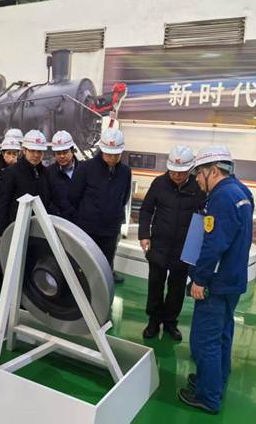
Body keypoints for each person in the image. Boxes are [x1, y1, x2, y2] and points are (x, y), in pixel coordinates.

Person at [178, 145, 253, 414]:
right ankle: (214, 382)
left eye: (199, 173)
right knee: (222, 335)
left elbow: (214, 245)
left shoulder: (221, 197)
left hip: (217, 282)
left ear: (212, 171)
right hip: (233, 280)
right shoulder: (241, 191)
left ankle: (208, 397)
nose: (197, 180)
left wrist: (200, 280)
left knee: (205, 340)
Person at [138, 145, 205, 341]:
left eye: (181, 172)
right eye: (173, 171)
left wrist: (197, 246)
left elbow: (204, 215)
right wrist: (144, 234)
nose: (176, 175)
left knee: (176, 289)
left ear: (190, 169)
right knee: (155, 286)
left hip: (184, 249)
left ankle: (170, 322)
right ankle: (153, 321)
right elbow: (146, 210)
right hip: (159, 245)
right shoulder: (159, 183)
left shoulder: (197, 187)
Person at [69, 127, 131, 280]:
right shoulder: (85, 168)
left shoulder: (125, 171)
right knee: (83, 266)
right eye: (109, 154)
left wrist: (114, 213)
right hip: (88, 228)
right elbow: (73, 196)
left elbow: (124, 197)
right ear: (102, 150)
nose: (112, 158)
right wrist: (88, 214)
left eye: (116, 154)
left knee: (105, 267)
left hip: (111, 230)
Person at [0, 129, 48, 235]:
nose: (36, 155)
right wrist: (3, 231)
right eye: (32, 151)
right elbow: (3, 203)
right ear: (24, 150)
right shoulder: (12, 172)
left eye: (39, 151)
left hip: (41, 229)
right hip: (17, 230)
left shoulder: (45, 173)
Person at [0, 128, 22, 287]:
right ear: (2, 153)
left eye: (15, 154)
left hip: (13, 213)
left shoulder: (20, 169)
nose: (12, 157)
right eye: (9, 153)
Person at [45, 130, 80, 222]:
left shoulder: (84, 170)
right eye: (58, 153)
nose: (62, 156)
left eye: (65, 152)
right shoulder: (48, 173)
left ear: (72, 151)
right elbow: (47, 200)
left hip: (82, 222)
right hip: (60, 222)